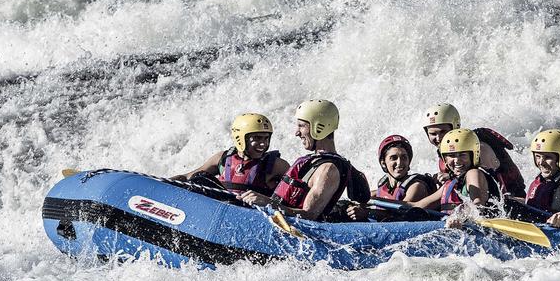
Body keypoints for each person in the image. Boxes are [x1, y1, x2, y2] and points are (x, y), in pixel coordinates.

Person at [239, 99, 369, 221]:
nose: (297, 132)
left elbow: (309, 216)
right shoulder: (313, 161)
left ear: (319, 127)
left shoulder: (328, 170)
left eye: (301, 126)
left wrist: (268, 203)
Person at [171, 112, 289, 196]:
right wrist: (162, 183)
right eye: (257, 138)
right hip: (218, 208)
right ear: (241, 138)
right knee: (199, 178)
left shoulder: (277, 165)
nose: (263, 144)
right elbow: (187, 177)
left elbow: (295, 196)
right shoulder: (222, 158)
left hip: (250, 213)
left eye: (266, 138)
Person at [421, 103, 526, 197]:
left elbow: (490, 182)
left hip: (513, 200)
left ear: (455, 127)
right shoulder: (446, 154)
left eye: (443, 131)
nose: (439, 138)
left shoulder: (479, 146)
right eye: (433, 134)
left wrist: (451, 176)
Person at [414, 129, 501, 220]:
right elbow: (417, 205)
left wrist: (459, 218)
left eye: (462, 155)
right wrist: (398, 204)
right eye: (451, 155)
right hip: (456, 227)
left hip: (481, 230)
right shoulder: (451, 183)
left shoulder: (474, 173)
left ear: (473, 156)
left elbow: (477, 203)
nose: (457, 161)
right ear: (445, 159)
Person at [372, 135, 435, 203]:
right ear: (383, 163)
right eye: (393, 158)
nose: (399, 163)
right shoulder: (382, 187)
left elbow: (399, 211)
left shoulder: (417, 187)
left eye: (404, 157)